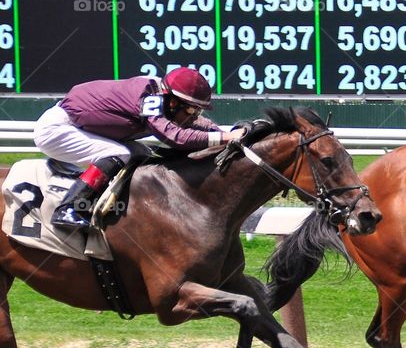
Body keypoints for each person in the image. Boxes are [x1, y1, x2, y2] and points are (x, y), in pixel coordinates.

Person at [33, 67, 246, 231]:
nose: (194, 116)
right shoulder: (150, 98)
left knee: (143, 154)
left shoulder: (164, 96)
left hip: (81, 126)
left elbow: (195, 124)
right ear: (173, 102)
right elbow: (176, 137)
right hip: (59, 128)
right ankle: (68, 209)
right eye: (191, 110)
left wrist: (225, 133)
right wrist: (225, 137)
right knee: (120, 154)